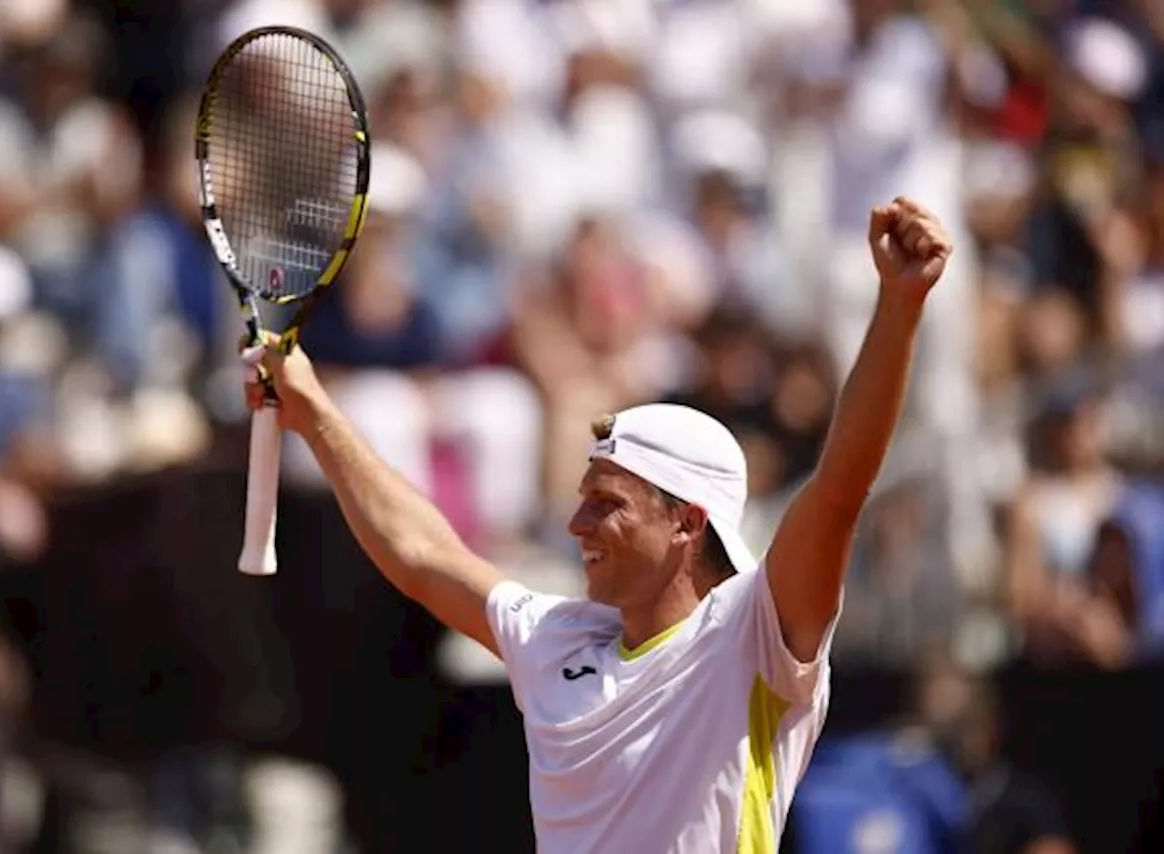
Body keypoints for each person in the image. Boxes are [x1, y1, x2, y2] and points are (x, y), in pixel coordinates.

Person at [242, 196, 953, 852]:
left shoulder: (753, 637)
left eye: (607, 503)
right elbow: (422, 554)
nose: (576, 522)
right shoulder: (555, 639)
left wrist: (899, 306)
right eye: (582, 496)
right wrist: (314, 411)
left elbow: (838, 489)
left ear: (686, 523)